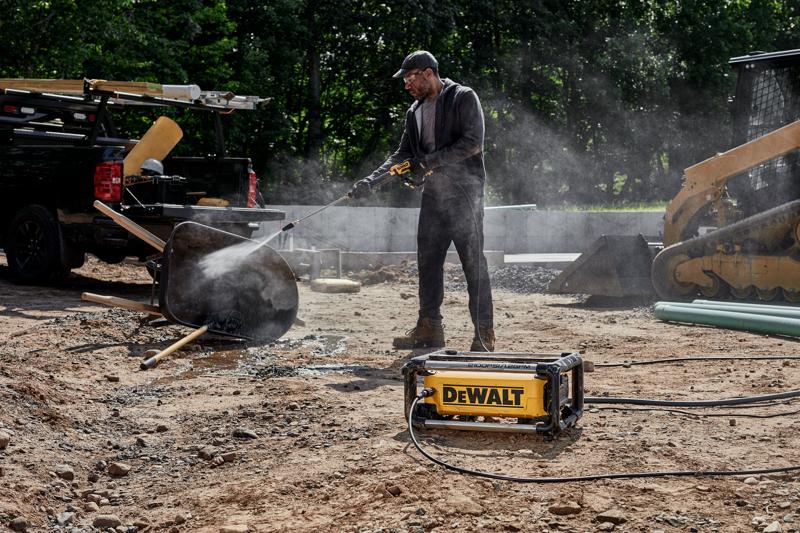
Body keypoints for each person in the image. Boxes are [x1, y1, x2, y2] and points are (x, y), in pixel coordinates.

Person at [350, 50, 495, 352]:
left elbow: (473, 143)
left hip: (466, 194)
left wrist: (428, 162)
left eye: (410, 78)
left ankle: (483, 333)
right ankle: (430, 328)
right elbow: (402, 154)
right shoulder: (414, 112)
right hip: (434, 196)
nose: (407, 85)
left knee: (473, 263)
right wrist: (372, 180)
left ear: (428, 73)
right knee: (428, 263)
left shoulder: (463, 97)